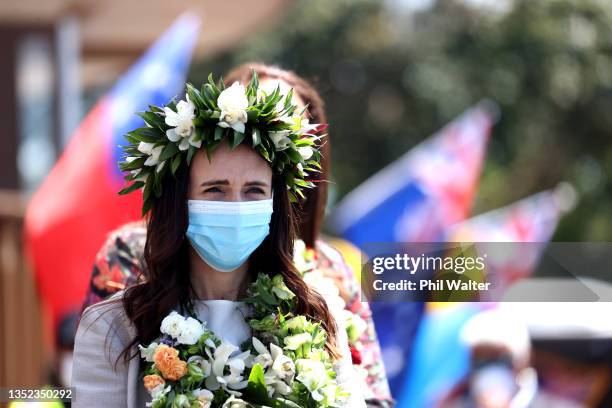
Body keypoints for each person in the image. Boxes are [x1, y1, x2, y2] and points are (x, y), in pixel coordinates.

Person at [79, 63, 393, 406]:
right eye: (215, 189)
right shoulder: (114, 325)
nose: (236, 205)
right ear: (179, 201)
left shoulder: (318, 314)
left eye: (255, 190)